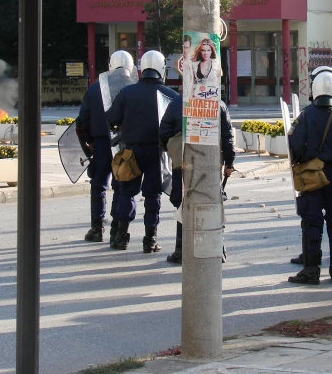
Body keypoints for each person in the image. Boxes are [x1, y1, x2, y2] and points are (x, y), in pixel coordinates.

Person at [287, 71, 332, 284]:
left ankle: (312, 270)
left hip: (312, 175)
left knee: (312, 223)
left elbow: (295, 147)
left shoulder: (305, 115)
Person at [107, 50, 179, 252]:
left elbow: (112, 118)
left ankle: (121, 236)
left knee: (126, 193)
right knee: (153, 195)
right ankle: (150, 240)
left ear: (141, 69)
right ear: (161, 69)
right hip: (157, 153)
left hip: (131, 151)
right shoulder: (170, 95)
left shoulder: (127, 92)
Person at [159, 94, 236, 264]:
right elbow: (227, 136)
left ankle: (181, 249)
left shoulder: (176, 103)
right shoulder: (219, 104)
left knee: (183, 203)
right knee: (213, 203)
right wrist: (229, 162)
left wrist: (173, 150)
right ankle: (218, 248)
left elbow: (163, 132)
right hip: (211, 162)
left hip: (183, 161)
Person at [76, 50, 137, 242]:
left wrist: (89, 142)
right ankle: (117, 229)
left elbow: (82, 119)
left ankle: (97, 228)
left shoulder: (95, 89)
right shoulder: (134, 87)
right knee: (121, 184)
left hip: (101, 142)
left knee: (98, 184)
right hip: (126, 144)